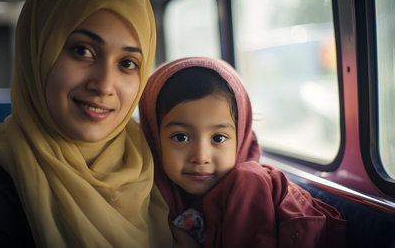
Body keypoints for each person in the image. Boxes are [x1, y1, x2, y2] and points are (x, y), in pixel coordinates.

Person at [0, 0, 173, 247]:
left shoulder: (164, 158)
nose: (104, 85)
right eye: (83, 51)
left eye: (127, 63)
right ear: (38, 52)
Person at [139, 57, 347, 248]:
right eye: (181, 137)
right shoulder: (147, 190)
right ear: (154, 138)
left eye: (218, 138)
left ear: (241, 137)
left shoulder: (249, 184)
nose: (201, 157)